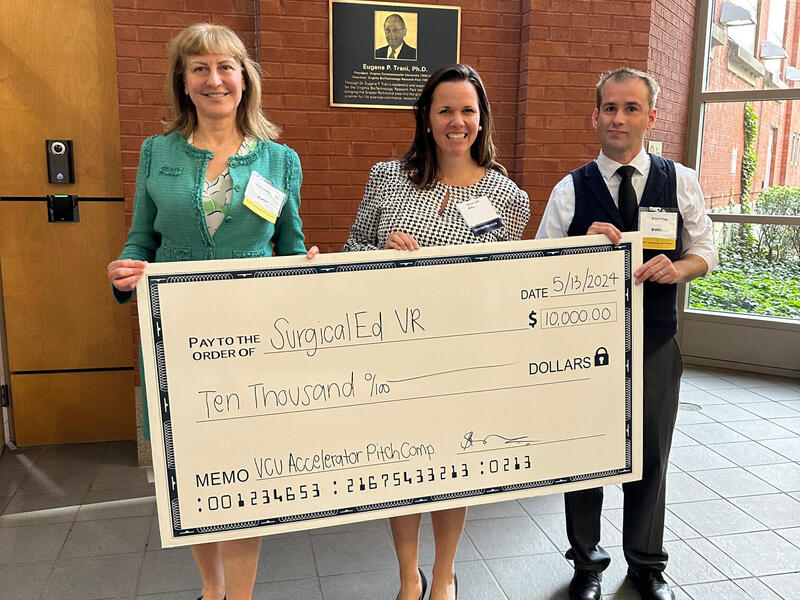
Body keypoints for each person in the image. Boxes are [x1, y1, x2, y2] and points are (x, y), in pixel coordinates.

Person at [106, 23, 317, 600]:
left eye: (226, 67)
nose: (214, 79)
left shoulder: (280, 160)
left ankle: (240, 596)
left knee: (245, 474)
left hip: (254, 340)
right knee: (194, 474)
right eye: (199, 68)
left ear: (245, 78)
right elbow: (139, 240)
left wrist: (306, 269)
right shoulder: (158, 152)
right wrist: (124, 273)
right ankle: (211, 589)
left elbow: (291, 246)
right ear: (183, 81)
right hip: (177, 336)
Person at [343, 63, 530, 600]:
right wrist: (379, 250)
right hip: (395, 348)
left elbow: (504, 281)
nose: (457, 121)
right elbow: (351, 249)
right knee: (399, 467)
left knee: (457, 464)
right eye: (445, 109)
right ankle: (408, 575)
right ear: (426, 118)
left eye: (467, 110)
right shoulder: (388, 176)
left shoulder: (505, 196)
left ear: (481, 119)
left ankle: (444, 573)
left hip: (463, 355)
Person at [536, 68, 718, 600]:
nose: (619, 118)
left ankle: (645, 565)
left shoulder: (680, 180)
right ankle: (586, 563)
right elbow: (542, 266)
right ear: (595, 116)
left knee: (652, 457)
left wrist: (678, 269)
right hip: (587, 352)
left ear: (650, 117)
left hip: (657, 344)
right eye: (610, 108)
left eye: (631, 108)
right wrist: (578, 246)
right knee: (585, 457)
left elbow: (705, 250)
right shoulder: (570, 189)